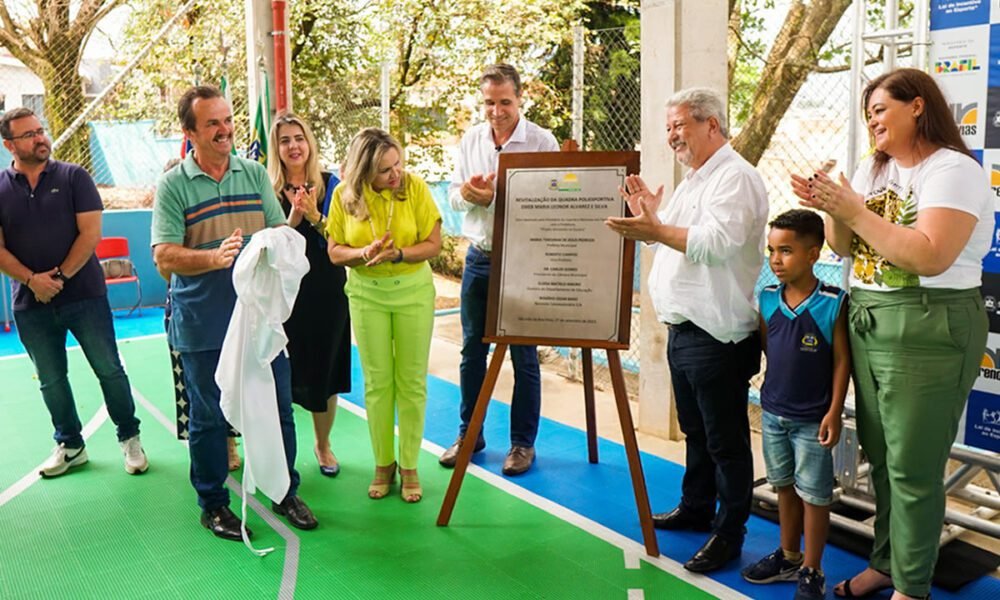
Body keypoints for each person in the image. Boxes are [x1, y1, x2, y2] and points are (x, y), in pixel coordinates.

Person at [793, 67, 991, 600]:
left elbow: (929, 255)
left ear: (917, 106)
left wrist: (853, 209)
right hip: (871, 320)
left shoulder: (953, 169)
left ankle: (911, 585)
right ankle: (886, 564)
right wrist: (831, 206)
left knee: (912, 467)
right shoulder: (872, 167)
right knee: (881, 459)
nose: (873, 121)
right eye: (869, 114)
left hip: (927, 323)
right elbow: (843, 247)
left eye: (881, 109)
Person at [605, 87, 768, 573]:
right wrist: (652, 218)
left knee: (725, 440)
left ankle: (729, 532)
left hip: (717, 334)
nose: (672, 136)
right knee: (696, 431)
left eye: (679, 125)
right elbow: (668, 242)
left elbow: (715, 245)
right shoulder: (695, 180)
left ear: (711, 124)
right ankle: (697, 507)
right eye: (669, 127)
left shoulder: (735, 177)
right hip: (685, 330)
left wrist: (655, 228)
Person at [151, 85, 317, 541]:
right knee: (208, 418)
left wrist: (283, 238)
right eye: (212, 123)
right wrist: (214, 258)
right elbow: (164, 255)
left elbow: (278, 232)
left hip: (259, 320)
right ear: (189, 132)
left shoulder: (255, 173)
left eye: (227, 120)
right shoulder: (172, 185)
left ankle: (284, 492)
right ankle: (213, 504)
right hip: (201, 322)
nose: (225, 130)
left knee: (278, 407)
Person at [0, 107, 148, 478]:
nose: (40, 138)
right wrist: (33, 281)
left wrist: (59, 278)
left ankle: (129, 437)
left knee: (109, 370)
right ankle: (70, 445)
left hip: (84, 296)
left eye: (41, 130)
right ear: (9, 145)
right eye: (29, 134)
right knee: (50, 380)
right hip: (30, 303)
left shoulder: (73, 177)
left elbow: (90, 234)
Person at [439, 63, 559, 476]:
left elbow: (552, 201)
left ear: (520, 99)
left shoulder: (542, 142)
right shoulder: (471, 139)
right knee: (472, 352)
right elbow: (454, 196)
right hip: (480, 257)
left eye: (504, 102)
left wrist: (495, 196)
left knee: (524, 356)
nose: (496, 111)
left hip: (524, 261)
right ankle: (469, 435)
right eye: (489, 103)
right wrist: (469, 194)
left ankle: (523, 444)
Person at [327, 127, 442, 503]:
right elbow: (334, 251)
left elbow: (433, 244)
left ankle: (409, 465)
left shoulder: (415, 188)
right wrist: (362, 254)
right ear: (364, 172)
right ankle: (383, 463)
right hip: (367, 295)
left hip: (413, 293)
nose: (396, 174)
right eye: (385, 170)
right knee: (377, 384)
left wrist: (399, 254)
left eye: (398, 164)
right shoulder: (344, 197)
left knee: (411, 382)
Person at [740, 209, 849, 600]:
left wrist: (833, 411)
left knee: (815, 497)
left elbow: (842, 361)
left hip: (812, 420)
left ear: (813, 254)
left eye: (785, 251)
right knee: (783, 486)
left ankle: (812, 569)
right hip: (773, 414)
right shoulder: (768, 298)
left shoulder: (832, 303)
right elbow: (771, 348)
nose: (775, 260)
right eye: (772, 251)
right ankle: (789, 556)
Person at [267, 113, 352, 477]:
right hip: (285, 294)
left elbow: (344, 237)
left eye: (299, 138)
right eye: (285, 140)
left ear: (309, 143)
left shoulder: (331, 184)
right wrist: (292, 222)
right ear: (276, 148)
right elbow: (268, 244)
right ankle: (278, 450)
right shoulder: (268, 189)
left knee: (325, 370)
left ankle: (323, 444)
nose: (293, 146)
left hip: (326, 290)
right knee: (280, 372)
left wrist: (315, 216)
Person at [160, 156, 241, 471]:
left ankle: (230, 442)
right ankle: (207, 452)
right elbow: (166, 269)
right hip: (186, 311)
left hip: (223, 307)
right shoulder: (165, 225)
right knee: (193, 387)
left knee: (229, 381)